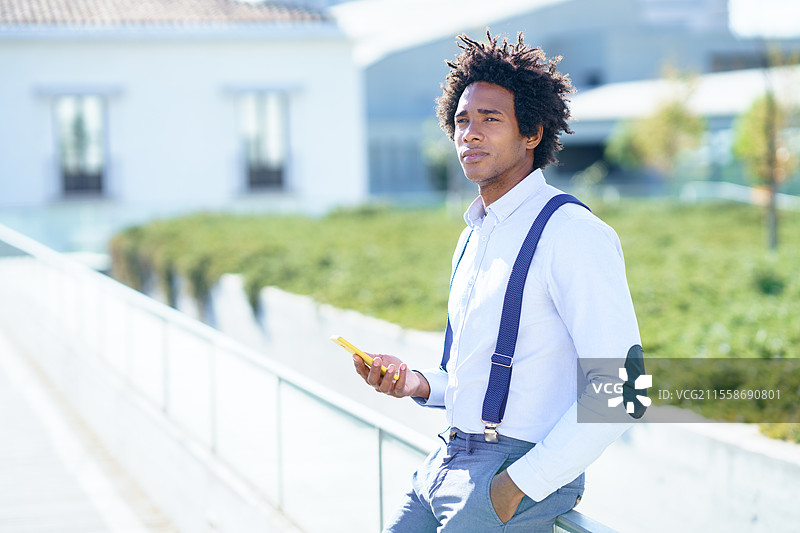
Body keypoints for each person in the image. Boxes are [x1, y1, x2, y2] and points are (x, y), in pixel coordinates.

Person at [352, 31, 644, 532]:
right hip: (444, 458)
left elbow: (623, 389)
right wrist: (416, 383)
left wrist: (518, 486)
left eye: (490, 119)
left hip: (509, 475)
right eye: (462, 121)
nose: (470, 133)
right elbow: (477, 377)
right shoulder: (473, 236)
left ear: (532, 133)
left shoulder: (571, 233)